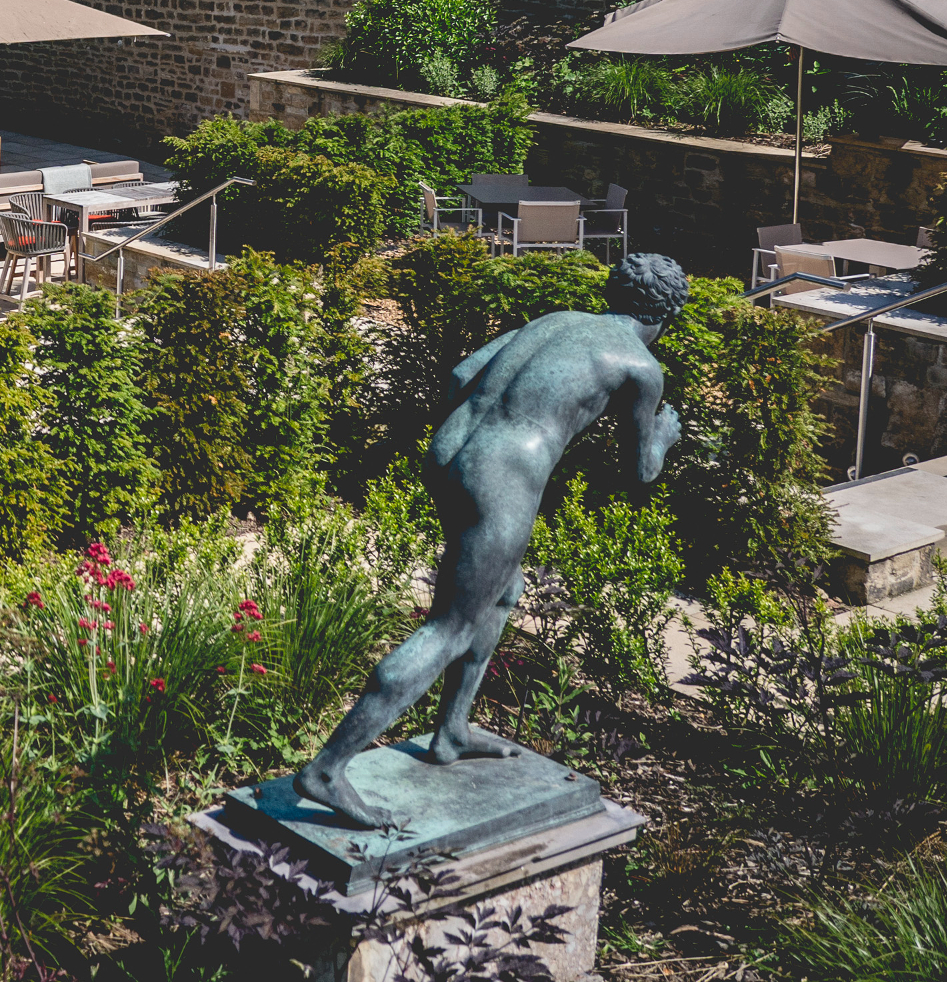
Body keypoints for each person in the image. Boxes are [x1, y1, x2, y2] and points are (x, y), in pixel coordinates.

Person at [293, 253, 687, 829]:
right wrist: (665, 436)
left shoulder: (559, 318)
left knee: (501, 593)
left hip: (451, 447)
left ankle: (451, 730)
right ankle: (326, 770)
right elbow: (641, 473)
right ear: (667, 313)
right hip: (503, 475)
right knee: (448, 627)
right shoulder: (641, 367)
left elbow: (459, 375)